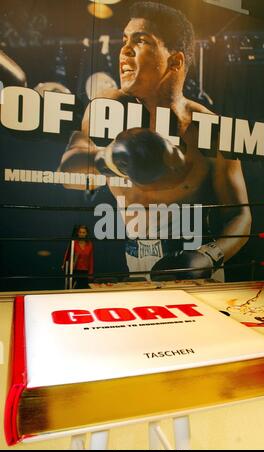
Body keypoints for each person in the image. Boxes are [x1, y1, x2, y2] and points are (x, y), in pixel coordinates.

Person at [58, 1, 252, 280]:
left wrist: (207, 256)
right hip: (136, 259)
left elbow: (241, 216)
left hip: (196, 260)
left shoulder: (209, 128)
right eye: (125, 40)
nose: (124, 50)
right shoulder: (107, 108)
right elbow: (67, 170)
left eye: (141, 40)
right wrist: (107, 157)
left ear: (175, 61)